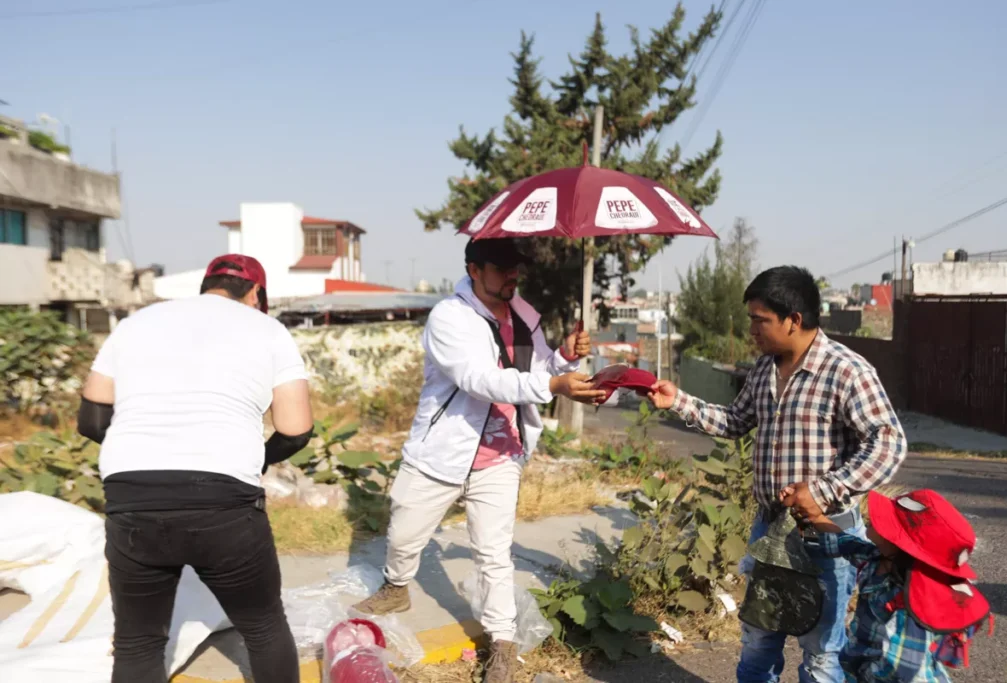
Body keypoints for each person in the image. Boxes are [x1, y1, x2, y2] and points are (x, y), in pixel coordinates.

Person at [353, 238, 605, 683]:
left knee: (493, 553)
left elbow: (538, 368)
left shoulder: (525, 315)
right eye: (502, 268)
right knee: (405, 532)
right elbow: (479, 379)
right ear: (474, 269)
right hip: (442, 451)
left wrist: (562, 357)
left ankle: (502, 644)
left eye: (516, 268)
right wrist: (554, 386)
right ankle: (396, 586)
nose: (513, 276)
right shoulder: (450, 317)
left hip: (500, 454)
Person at [648, 265, 908, 683]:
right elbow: (735, 421)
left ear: (794, 320)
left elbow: (889, 442)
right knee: (757, 647)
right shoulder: (764, 369)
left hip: (826, 535)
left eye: (759, 320)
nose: (752, 329)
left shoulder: (847, 370)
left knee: (822, 657)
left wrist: (826, 489)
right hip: (768, 531)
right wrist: (678, 401)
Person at [77, 255, 313, 683]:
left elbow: (91, 420)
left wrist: (144, 458)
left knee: (138, 642)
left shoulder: (136, 323)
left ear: (208, 285)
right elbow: (295, 430)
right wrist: (250, 461)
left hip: (132, 497)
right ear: (256, 294)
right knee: (262, 627)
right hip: (222, 502)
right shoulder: (267, 329)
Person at [779, 486, 991, 682]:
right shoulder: (880, 559)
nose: (874, 517)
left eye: (888, 520)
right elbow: (845, 543)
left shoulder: (908, 603)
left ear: (899, 543)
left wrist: (859, 673)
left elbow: (902, 669)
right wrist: (812, 518)